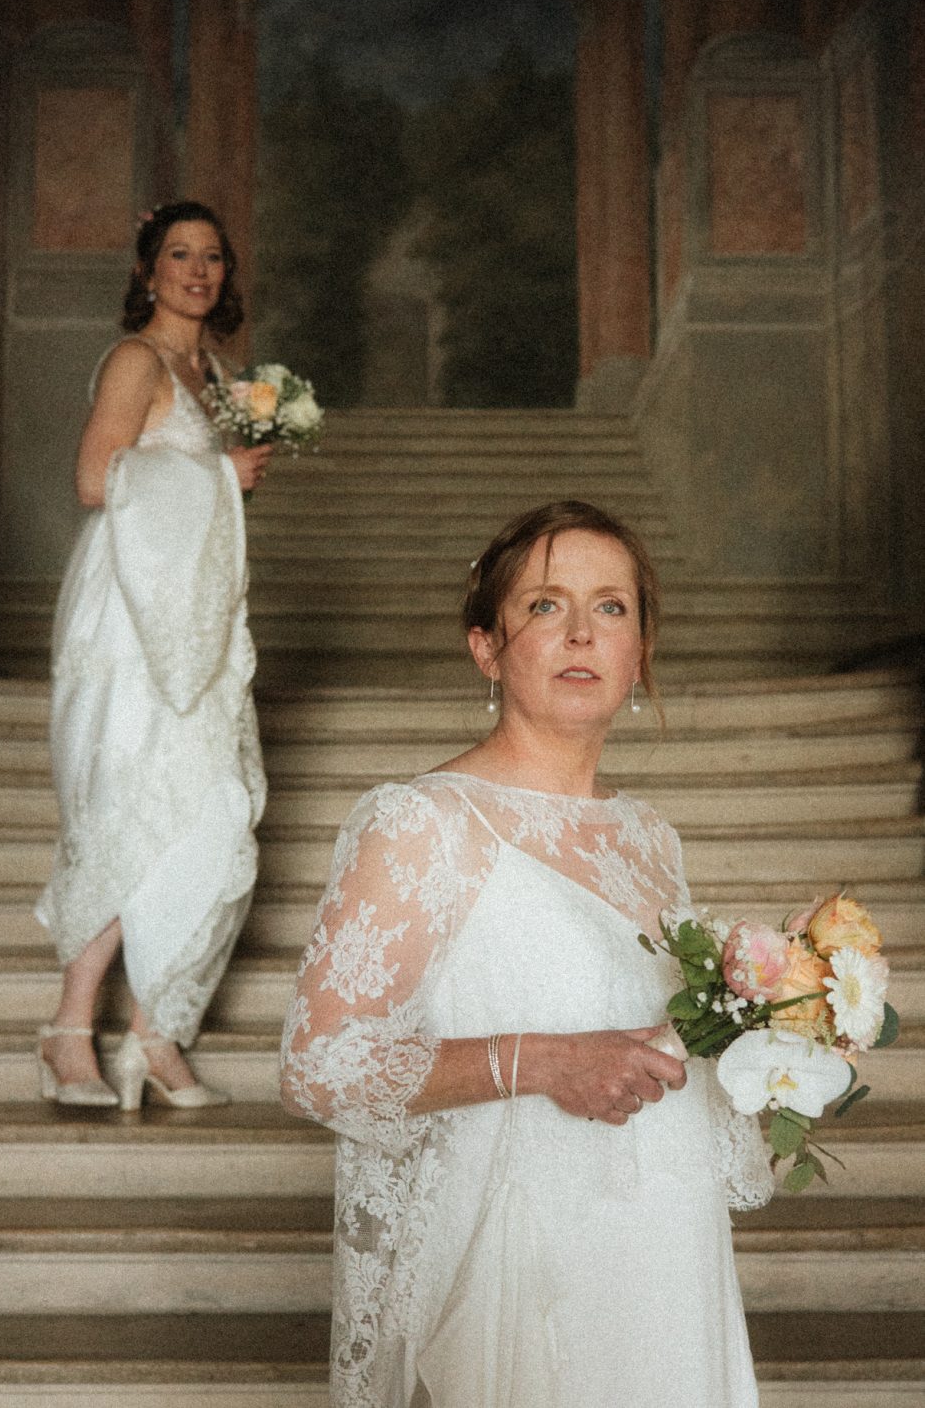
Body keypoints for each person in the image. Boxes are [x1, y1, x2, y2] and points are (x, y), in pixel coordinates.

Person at [280, 500, 774, 1407]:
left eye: (612, 607)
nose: (582, 631)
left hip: (663, 1253)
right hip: (518, 1265)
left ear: (641, 650)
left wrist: (777, 1041)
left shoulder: (647, 836)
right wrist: (545, 1061)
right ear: (488, 649)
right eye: (546, 605)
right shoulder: (423, 821)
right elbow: (321, 1067)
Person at [35, 201, 272, 1109]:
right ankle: (68, 1028)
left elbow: (204, 505)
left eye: (212, 256)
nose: (197, 271)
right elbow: (97, 479)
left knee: (210, 815)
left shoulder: (217, 370)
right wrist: (220, 476)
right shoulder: (137, 360)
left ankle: (154, 1031)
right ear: (147, 271)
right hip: (130, 616)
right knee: (134, 807)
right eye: (179, 254)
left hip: (196, 613)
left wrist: (234, 479)